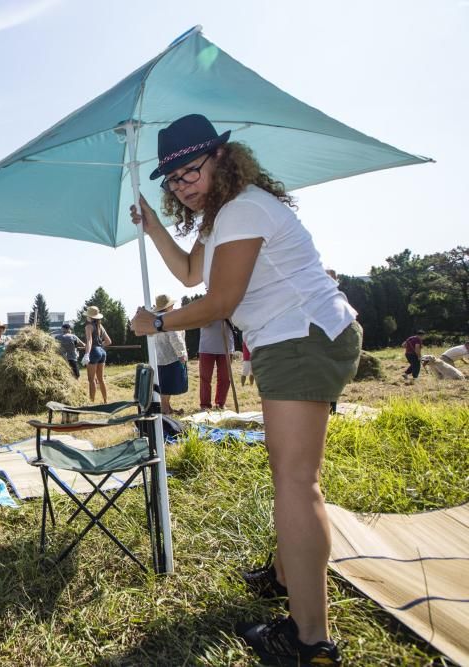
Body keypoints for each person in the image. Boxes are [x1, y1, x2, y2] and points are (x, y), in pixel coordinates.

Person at [129, 114, 360, 666]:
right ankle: (286, 573)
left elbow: (219, 303)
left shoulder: (241, 209)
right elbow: (190, 274)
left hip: (299, 338)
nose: (182, 185)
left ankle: (311, 641)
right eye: (173, 180)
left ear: (222, 158)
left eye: (190, 169)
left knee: (296, 481)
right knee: (292, 474)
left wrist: (157, 325)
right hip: (300, 336)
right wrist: (152, 225)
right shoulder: (222, 217)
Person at [151, 295, 188, 415]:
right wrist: (182, 354)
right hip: (170, 357)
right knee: (168, 385)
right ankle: (165, 409)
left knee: (164, 384)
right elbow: (175, 338)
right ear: (168, 307)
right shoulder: (167, 319)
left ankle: (167, 407)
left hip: (158, 357)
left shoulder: (154, 320)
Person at [197, 319, 235, 410]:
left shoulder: (229, 306)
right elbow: (201, 322)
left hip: (226, 347)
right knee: (205, 378)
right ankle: (205, 405)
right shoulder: (204, 306)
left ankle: (220, 404)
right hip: (206, 347)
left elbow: (238, 321)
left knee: (225, 378)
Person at [82, 306, 112, 403]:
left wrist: (87, 354)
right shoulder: (100, 326)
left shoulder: (88, 326)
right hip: (102, 352)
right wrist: (99, 346)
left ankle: (92, 402)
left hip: (93, 352)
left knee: (91, 380)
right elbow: (108, 341)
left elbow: (89, 341)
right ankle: (105, 400)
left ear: (90, 317)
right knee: (101, 379)